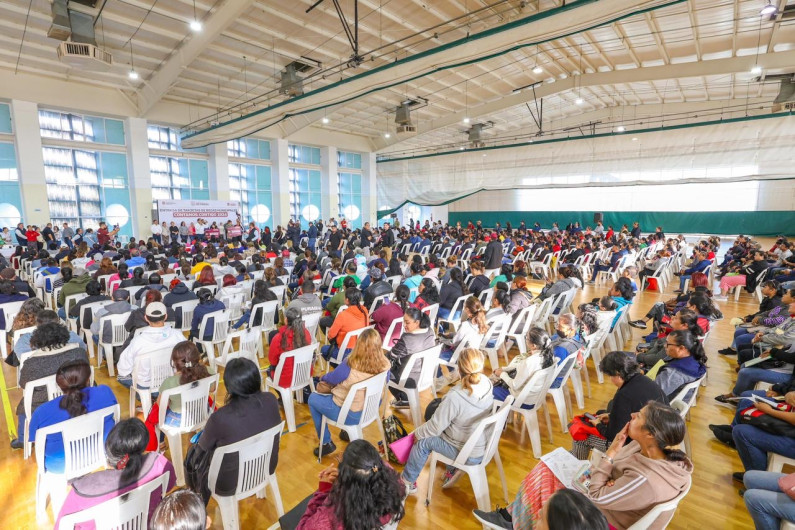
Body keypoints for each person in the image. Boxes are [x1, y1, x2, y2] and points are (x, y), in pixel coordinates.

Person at [474, 402, 692, 530]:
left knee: (549, 488)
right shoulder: (646, 449)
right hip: (608, 496)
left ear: (650, 434)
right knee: (547, 466)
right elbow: (612, 476)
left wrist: (612, 453)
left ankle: (515, 521)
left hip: (605, 518)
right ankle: (511, 515)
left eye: (640, 416)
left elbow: (598, 495)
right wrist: (609, 471)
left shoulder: (647, 479)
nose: (633, 415)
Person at [401, 348, 493, 492]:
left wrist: (416, 434)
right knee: (438, 429)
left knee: (423, 441)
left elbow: (434, 428)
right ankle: (452, 468)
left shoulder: (456, 396)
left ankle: (407, 482)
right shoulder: (487, 383)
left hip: (467, 452)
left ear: (459, 368)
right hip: (481, 446)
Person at [55, 419, 176, 529]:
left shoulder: (83, 491)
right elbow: (170, 485)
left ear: (109, 453)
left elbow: (61, 526)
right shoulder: (159, 464)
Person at [195, 358, 281, 504]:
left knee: (197, 455)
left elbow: (202, 447)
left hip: (229, 482)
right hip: (266, 466)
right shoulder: (271, 399)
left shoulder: (220, 418)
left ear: (229, 387)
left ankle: (198, 502)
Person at [570, 351, 667, 459]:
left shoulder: (623, 395)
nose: (611, 380)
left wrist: (598, 424)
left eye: (610, 376)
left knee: (580, 435)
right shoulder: (644, 380)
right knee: (601, 413)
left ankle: (577, 465)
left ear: (618, 374)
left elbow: (612, 435)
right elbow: (634, 409)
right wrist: (612, 415)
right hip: (658, 437)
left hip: (637, 447)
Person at [309, 328, 390, 456]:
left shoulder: (350, 364)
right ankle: (346, 432)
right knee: (343, 394)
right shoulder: (385, 363)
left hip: (351, 414)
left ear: (358, 345)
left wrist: (321, 378)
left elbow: (332, 378)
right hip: (371, 409)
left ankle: (326, 443)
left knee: (313, 398)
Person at [27, 359, 117, 472]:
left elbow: (38, 443)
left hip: (60, 466)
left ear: (59, 385)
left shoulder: (41, 412)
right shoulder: (105, 392)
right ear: (88, 379)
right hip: (103, 452)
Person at [12, 322, 89, 450]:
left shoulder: (32, 362)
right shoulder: (79, 352)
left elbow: (24, 384)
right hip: (77, 395)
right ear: (65, 336)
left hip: (42, 403)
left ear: (37, 341)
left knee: (23, 406)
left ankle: (22, 439)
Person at [296, 439, 405, 530]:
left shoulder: (331, 516)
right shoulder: (392, 480)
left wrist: (325, 488)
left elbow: (302, 527)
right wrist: (349, 478)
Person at [116, 302, 186, 389]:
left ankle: (151, 398)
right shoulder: (178, 335)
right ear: (165, 316)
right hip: (172, 380)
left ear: (146, 318)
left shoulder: (138, 341)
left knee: (121, 376)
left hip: (146, 385)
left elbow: (123, 369)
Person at [386, 307, 437, 407]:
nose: (404, 325)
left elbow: (392, 355)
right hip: (427, 375)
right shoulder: (430, 331)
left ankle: (403, 398)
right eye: (403, 322)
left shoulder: (407, 339)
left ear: (417, 322)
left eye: (407, 322)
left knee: (386, 372)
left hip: (409, 379)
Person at [437, 296, 489, 388]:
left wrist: (441, 339)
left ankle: (437, 382)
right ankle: (451, 376)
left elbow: (453, 342)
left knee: (437, 352)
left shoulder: (465, 325)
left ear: (467, 309)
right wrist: (452, 334)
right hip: (472, 354)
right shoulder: (481, 323)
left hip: (461, 356)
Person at [653, 329, 707, 400]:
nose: (664, 346)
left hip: (663, 406)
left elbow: (652, 396)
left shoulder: (673, 373)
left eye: (668, 343)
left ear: (681, 348)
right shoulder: (694, 357)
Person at [267, 306, 312, 387]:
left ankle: (282, 397)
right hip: (305, 374)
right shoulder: (306, 333)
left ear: (286, 320)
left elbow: (272, 361)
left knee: (269, 370)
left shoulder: (278, 338)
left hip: (285, 379)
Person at [321, 287, 369, 363]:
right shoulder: (365, 311)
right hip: (361, 347)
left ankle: (342, 366)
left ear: (347, 300)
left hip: (345, 351)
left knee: (323, 349)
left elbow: (331, 335)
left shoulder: (343, 315)